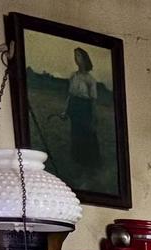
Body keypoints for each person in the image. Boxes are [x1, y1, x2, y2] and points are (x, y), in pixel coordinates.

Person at [66, 47, 99, 180]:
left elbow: (93, 101)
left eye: (79, 56)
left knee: (87, 135)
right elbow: (70, 95)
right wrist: (66, 110)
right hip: (75, 107)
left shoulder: (90, 79)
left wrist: (94, 117)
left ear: (84, 59)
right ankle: (77, 161)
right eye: (75, 56)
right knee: (76, 134)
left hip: (85, 108)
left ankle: (90, 163)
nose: (76, 59)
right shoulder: (73, 76)